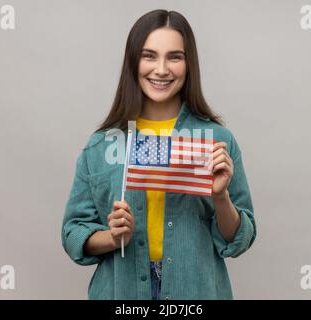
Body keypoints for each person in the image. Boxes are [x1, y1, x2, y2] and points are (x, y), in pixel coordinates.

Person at [61, 9, 256, 300]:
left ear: (189, 65)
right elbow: (73, 232)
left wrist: (220, 197)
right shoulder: (101, 145)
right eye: (149, 55)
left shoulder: (217, 141)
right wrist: (113, 237)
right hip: (121, 292)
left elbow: (239, 240)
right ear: (133, 62)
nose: (162, 69)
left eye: (174, 57)